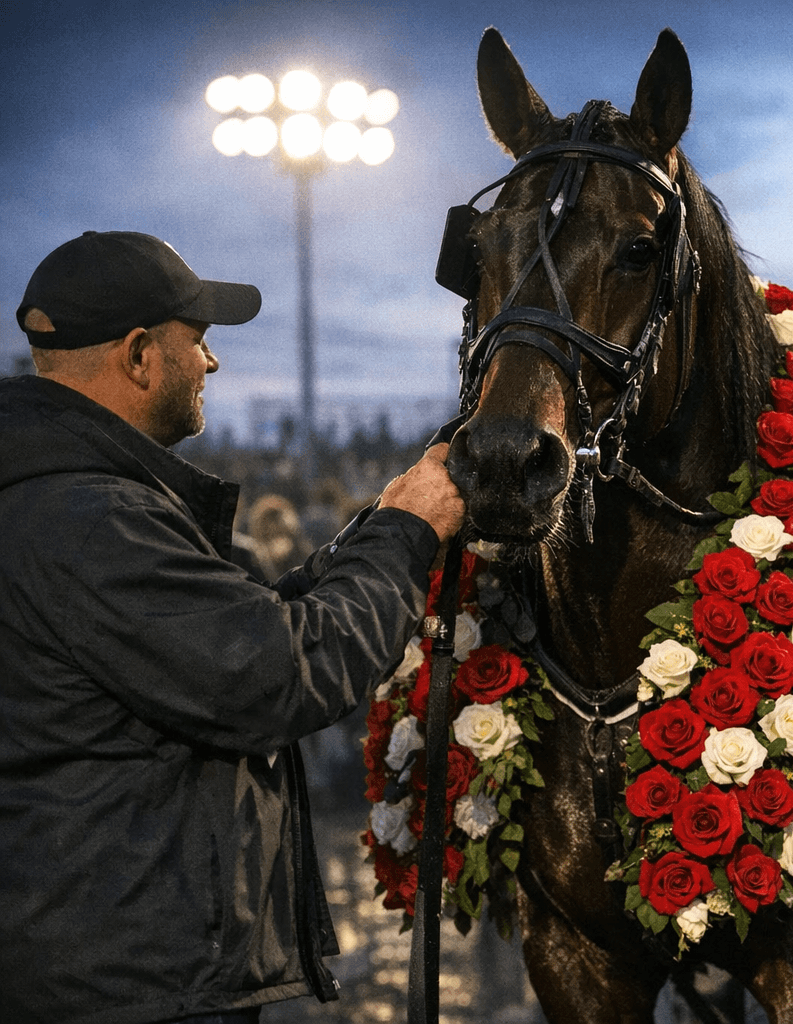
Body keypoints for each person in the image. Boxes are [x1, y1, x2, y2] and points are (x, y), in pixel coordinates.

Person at [0, 231, 464, 1024]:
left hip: (111, 959)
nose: (212, 364)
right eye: (200, 341)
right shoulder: (92, 515)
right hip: (134, 978)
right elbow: (279, 672)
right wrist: (409, 535)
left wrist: (373, 529)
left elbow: (233, 633)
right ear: (141, 354)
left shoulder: (63, 498)